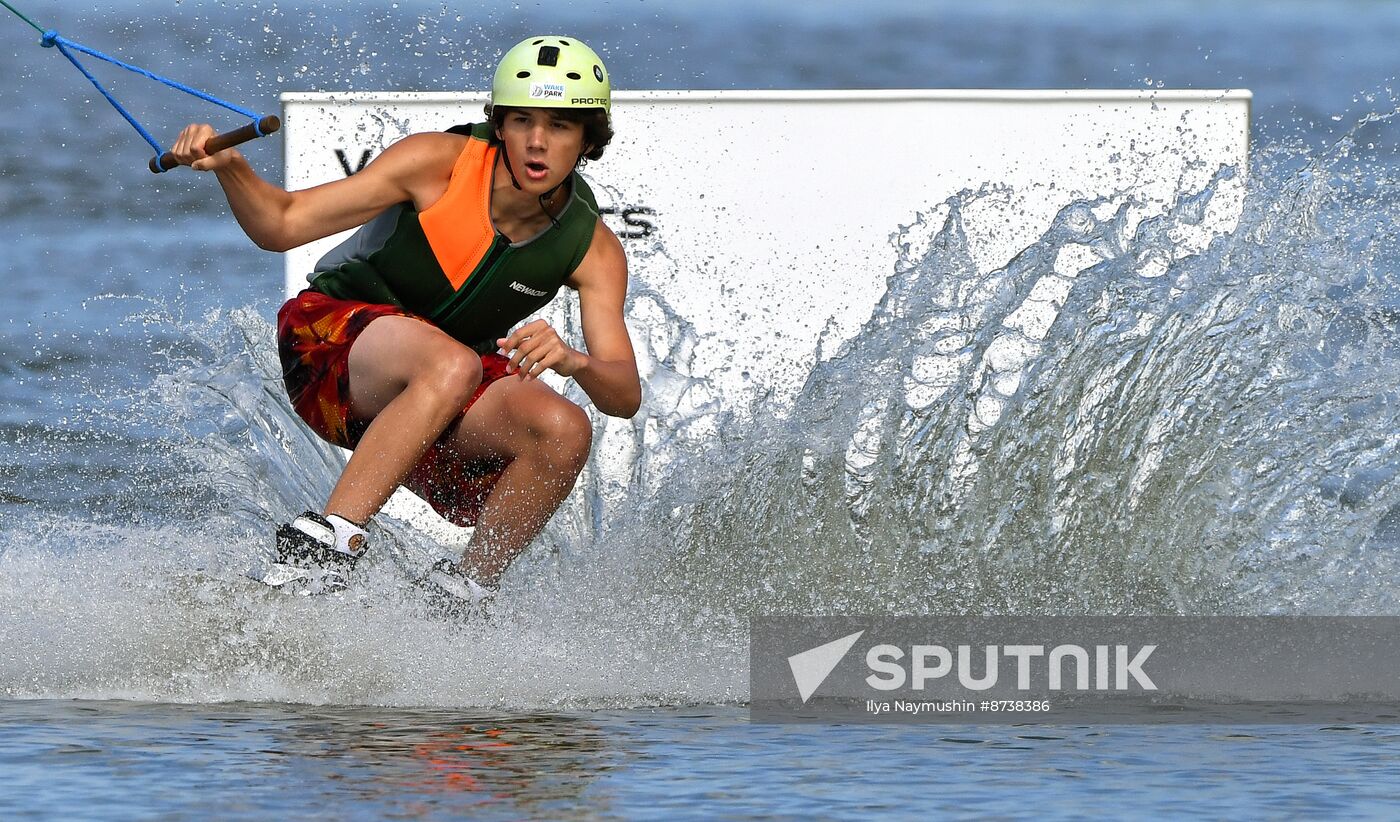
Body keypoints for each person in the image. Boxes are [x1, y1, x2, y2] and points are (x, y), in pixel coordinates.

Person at [170, 36, 641, 606]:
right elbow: (283, 224)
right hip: (329, 348)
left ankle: (460, 596)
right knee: (453, 361)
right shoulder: (436, 163)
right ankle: (325, 545)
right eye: (521, 120)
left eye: (561, 126)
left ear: (589, 138)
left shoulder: (593, 247)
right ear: (498, 124)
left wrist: (574, 359)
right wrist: (232, 168)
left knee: (565, 429)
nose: (537, 142)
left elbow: (623, 393)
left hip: (438, 398)